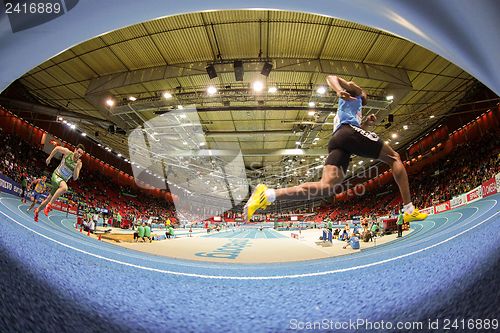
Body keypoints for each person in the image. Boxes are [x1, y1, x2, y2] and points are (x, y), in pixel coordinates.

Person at [243, 76, 427, 224]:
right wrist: (340, 90)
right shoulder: (356, 92)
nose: (366, 96)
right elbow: (331, 76)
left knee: (326, 187)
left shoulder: (356, 107)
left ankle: (267, 194)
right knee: (394, 158)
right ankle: (409, 208)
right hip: (346, 134)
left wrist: (366, 124)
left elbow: (355, 131)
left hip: (340, 140)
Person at [34, 144, 84, 222]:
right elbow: (57, 148)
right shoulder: (67, 152)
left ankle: (37, 210)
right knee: (65, 188)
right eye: (78, 152)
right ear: (75, 150)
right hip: (56, 175)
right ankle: (49, 206)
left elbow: (75, 177)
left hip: (61, 182)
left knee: (48, 199)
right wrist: (49, 157)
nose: (79, 154)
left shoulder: (79, 163)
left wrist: (76, 167)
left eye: (81, 154)